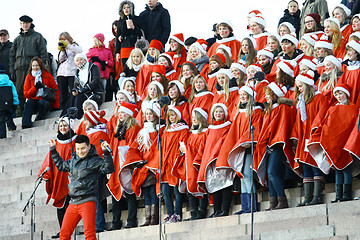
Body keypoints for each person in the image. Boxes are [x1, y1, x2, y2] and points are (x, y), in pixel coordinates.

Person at [48, 134, 114, 240]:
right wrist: (53, 150)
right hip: (73, 202)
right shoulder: (73, 159)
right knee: (64, 234)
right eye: (78, 149)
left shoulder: (95, 160)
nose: (80, 151)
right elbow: (61, 165)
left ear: (89, 146)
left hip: (88, 201)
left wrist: (106, 153)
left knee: (89, 235)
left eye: (83, 148)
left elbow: (108, 169)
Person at [308, 84, 358, 204]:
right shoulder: (332, 108)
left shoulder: (353, 108)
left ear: (346, 94)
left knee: (345, 168)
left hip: (346, 142)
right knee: (338, 170)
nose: (339, 96)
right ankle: (338, 195)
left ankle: (346, 194)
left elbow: (352, 125)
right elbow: (326, 124)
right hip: (333, 143)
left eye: (341, 93)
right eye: (336, 94)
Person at [217, 85, 263, 214]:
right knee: (242, 177)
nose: (242, 97)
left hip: (249, 147)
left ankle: (252, 206)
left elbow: (256, 127)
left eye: (245, 94)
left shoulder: (256, 110)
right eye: (241, 94)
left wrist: (246, 140)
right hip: (240, 147)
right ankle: (245, 207)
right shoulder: (239, 112)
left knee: (247, 177)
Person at [253, 82, 296, 210]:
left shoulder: (282, 108)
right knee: (270, 172)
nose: (265, 97)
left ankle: (282, 200)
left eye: (268, 94)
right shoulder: (269, 109)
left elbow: (278, 128)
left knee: (272, 172)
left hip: (278, 144)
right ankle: (273, 201)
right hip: (270, 144)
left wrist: (267, 139)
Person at [120, 102, 164, 226]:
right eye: (147, 114)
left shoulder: (158, 130)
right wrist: (137, 161)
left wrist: (151, 162)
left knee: (152, 191)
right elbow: (134, 148)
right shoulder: (141, 132)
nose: (149, 116)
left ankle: (154, 217)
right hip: (143, 166)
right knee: (146, 193)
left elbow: (157, 147)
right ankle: (148, 217)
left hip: (153, 165)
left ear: (156, 115)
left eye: (151, 114)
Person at [291, 71, 329, 206]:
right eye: (298, 87)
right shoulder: (302, 101)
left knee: (315, 164)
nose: (299, 89)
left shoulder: (319, 98)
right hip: (304, 137)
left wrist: (314, 132)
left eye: (301, 86)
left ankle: (317, 196)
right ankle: (307, 197)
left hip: (313, 136)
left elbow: (321, 116)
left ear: (307, 85)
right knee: (306, 165)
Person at [39, 117, 76, 239]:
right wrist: (46, 176)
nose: (63, 128)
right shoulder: (56, 142)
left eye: (65, 126)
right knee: (60, 205)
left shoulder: (75, 141)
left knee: (73, 205)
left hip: (72, 178)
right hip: (58, 177)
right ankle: (62, 231)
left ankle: (71, 229)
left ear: (70, 126)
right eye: (61, 126)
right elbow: (49, 160)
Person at [106, 102, 141, 229]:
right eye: (119, 113)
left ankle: (131, 220)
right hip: (116, 164)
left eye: (123, 113)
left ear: (129, 114)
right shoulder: (117, 129)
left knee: (129, 193)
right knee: (116, 193)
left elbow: (133, 146)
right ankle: (116, 222)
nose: (120, 115)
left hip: (127, 164)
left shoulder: (134, 129)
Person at [197, 103, 232, 217]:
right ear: (213, 114)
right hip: (211, 162)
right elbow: (205, 146)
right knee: (215, 185)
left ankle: (225, 209)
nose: (218, 114)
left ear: (224, 114)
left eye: (220, 111)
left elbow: (227, 141)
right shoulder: (209, 130)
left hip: (222, 160)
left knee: (225, 184)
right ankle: (216, 210)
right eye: (216, 112)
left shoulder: (228, 126)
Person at [9, 15, 48, 116]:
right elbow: (12, 56)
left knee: (34, 90)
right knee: (19, 93)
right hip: (19, 70)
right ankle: (20, 114)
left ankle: (35, 112)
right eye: (22, 23)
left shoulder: (38, 36)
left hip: (33, 68)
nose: (24, 25)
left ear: (30, 24)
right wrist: (12, 71)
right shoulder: (17, 39)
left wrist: (43, 68)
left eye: (26, 23)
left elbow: (43, 53)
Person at [161, 106, 188, 223]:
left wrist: (177, 159)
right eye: (169, 116)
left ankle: (177, 213)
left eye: (173, 115)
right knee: (166, 191)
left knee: (177, 191)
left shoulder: (183, 129)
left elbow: (182, 146)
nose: (171, 118)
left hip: (175, 163)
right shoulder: (166, 131)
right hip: (166, 163)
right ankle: (170, 213)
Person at [181, 108, 209, 220]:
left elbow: (203, 149)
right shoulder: (190, 134)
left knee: (201, 186)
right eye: (192, 118)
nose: (194, 120)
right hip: (190, 164)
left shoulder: (206, 132)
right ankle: (193, 212)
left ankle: (202, 211)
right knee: (190, 186)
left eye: (196, 118)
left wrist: (187, 149)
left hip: (200, 163)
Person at [62, 53, 103, 119]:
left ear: (85, 60)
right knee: (72, 97)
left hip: (94, 93)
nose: (79, 62)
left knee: (79, 97)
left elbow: (96, 80)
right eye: (77, 61)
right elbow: (76, 85)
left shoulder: (93, 67)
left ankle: (77, 116)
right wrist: (74, 90)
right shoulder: (78, 71)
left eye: (81, 59)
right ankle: (64, 117)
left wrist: (83, 90)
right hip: (83, 93)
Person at [22, 57, 59, 129]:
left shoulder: (47, 75)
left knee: (43, 102)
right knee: (29, 102)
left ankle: (39, 118)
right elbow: (26, 94)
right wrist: (35, 88)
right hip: (34, 100)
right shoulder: (29, 77)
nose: (35, 67)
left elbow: (55, 90)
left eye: (37, 65)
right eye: (33, 66)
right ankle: (26, 124)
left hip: (44, 100)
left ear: (40, 66)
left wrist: (56, 107)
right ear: (31, 67)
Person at [57, 32, 83, 110]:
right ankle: (63, 109)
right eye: (61, 40)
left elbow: (79, 52)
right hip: (62, 72)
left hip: (72, 72)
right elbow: (60, 59)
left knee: (73, 92)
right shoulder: (63, 49)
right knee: (62, 94)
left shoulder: (75, 46)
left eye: (64, 39)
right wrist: (62, 50)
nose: (63, 41)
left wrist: (68, 46)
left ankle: (74, 107)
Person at [87, 33, 114, 102]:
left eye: (96, 41)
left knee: (103, 89)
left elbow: (111, 63)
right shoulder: (92, 50)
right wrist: (92, 60)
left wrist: (106, 62)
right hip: (94, 75)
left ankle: (103, 101)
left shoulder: (107, 51)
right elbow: (86, 60)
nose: (95, 43)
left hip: (103, 74)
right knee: (93, 89)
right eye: (94, 41)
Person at [115, 1, 143, 67]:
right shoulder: (120, 21)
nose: (126, 9)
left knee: (136, 68)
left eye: (128, 7)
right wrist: (117, 52)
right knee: (126, 68)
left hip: (135, 47)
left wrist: (133, 27)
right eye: (124, 8)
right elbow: (117, 37)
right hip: (124, 48)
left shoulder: (137, 19)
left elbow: (142, 33)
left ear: (131, 9)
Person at [0, 64, 18, 138]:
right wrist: (15, 103)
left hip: (0, 105)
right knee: (8, 116)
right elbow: (15, 94)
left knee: (1, 121)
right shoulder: (9, 82)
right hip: (9, 104)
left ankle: (2, 137)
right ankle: (12, 129)